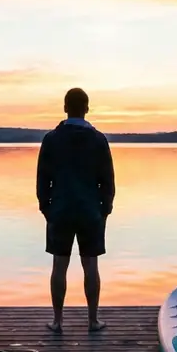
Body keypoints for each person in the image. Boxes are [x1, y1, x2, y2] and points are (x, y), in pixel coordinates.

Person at [35, 87, 115, 332]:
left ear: (65, 108)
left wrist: (47, 208)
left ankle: (58, 321)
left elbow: (42, 180)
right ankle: (93, 321)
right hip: (90, 211)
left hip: (60, 210)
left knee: (59, 266)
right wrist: (104, 210)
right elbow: (108, 181)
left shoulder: (51, 139)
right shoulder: (99, 140)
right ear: (87, 108)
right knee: (91, 266)